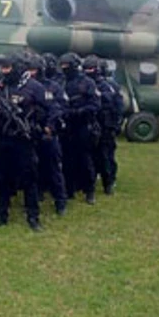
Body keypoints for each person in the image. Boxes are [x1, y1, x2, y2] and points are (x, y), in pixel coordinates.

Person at [0, 53, 55, 231]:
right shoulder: (0, 85)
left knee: (29, 178)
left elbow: (50, 110)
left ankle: (33, 217)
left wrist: (45, 126)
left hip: (24, 139)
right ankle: (0, 215)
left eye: (7, 67)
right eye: (3, 68)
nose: (4, 71)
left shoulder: (34, 87)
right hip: (3, 138)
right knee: (2, 177)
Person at [25, 53, 68, 215]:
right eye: (29, 69)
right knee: (32, 169)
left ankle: (60, 201)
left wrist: (50, 126)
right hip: (30, 132)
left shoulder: (53, 87)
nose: (31, 73)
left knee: (54, 169)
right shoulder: (25, 87)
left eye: (34, 70)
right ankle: (36, 196)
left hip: (48, 133)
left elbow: (59, 108)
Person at [60, 53, 101, 204]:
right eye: (62, 66)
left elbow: (95, 105)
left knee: (85, 159)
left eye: (67, 66)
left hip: (83, 126)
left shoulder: (87, 82)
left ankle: (89, 191)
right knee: (67, 160)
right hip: (67, 127)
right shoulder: (61, 82)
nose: (64, 69)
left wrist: (79, 112)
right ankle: (69, 189)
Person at [85, 56, 124, 195]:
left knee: (106, 155)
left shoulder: (109, 85)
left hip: (105, 125)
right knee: (91, 155)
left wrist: (117, 123)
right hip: (91, 124)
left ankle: (109, 182)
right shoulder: (85, 83)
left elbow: (117, 105)